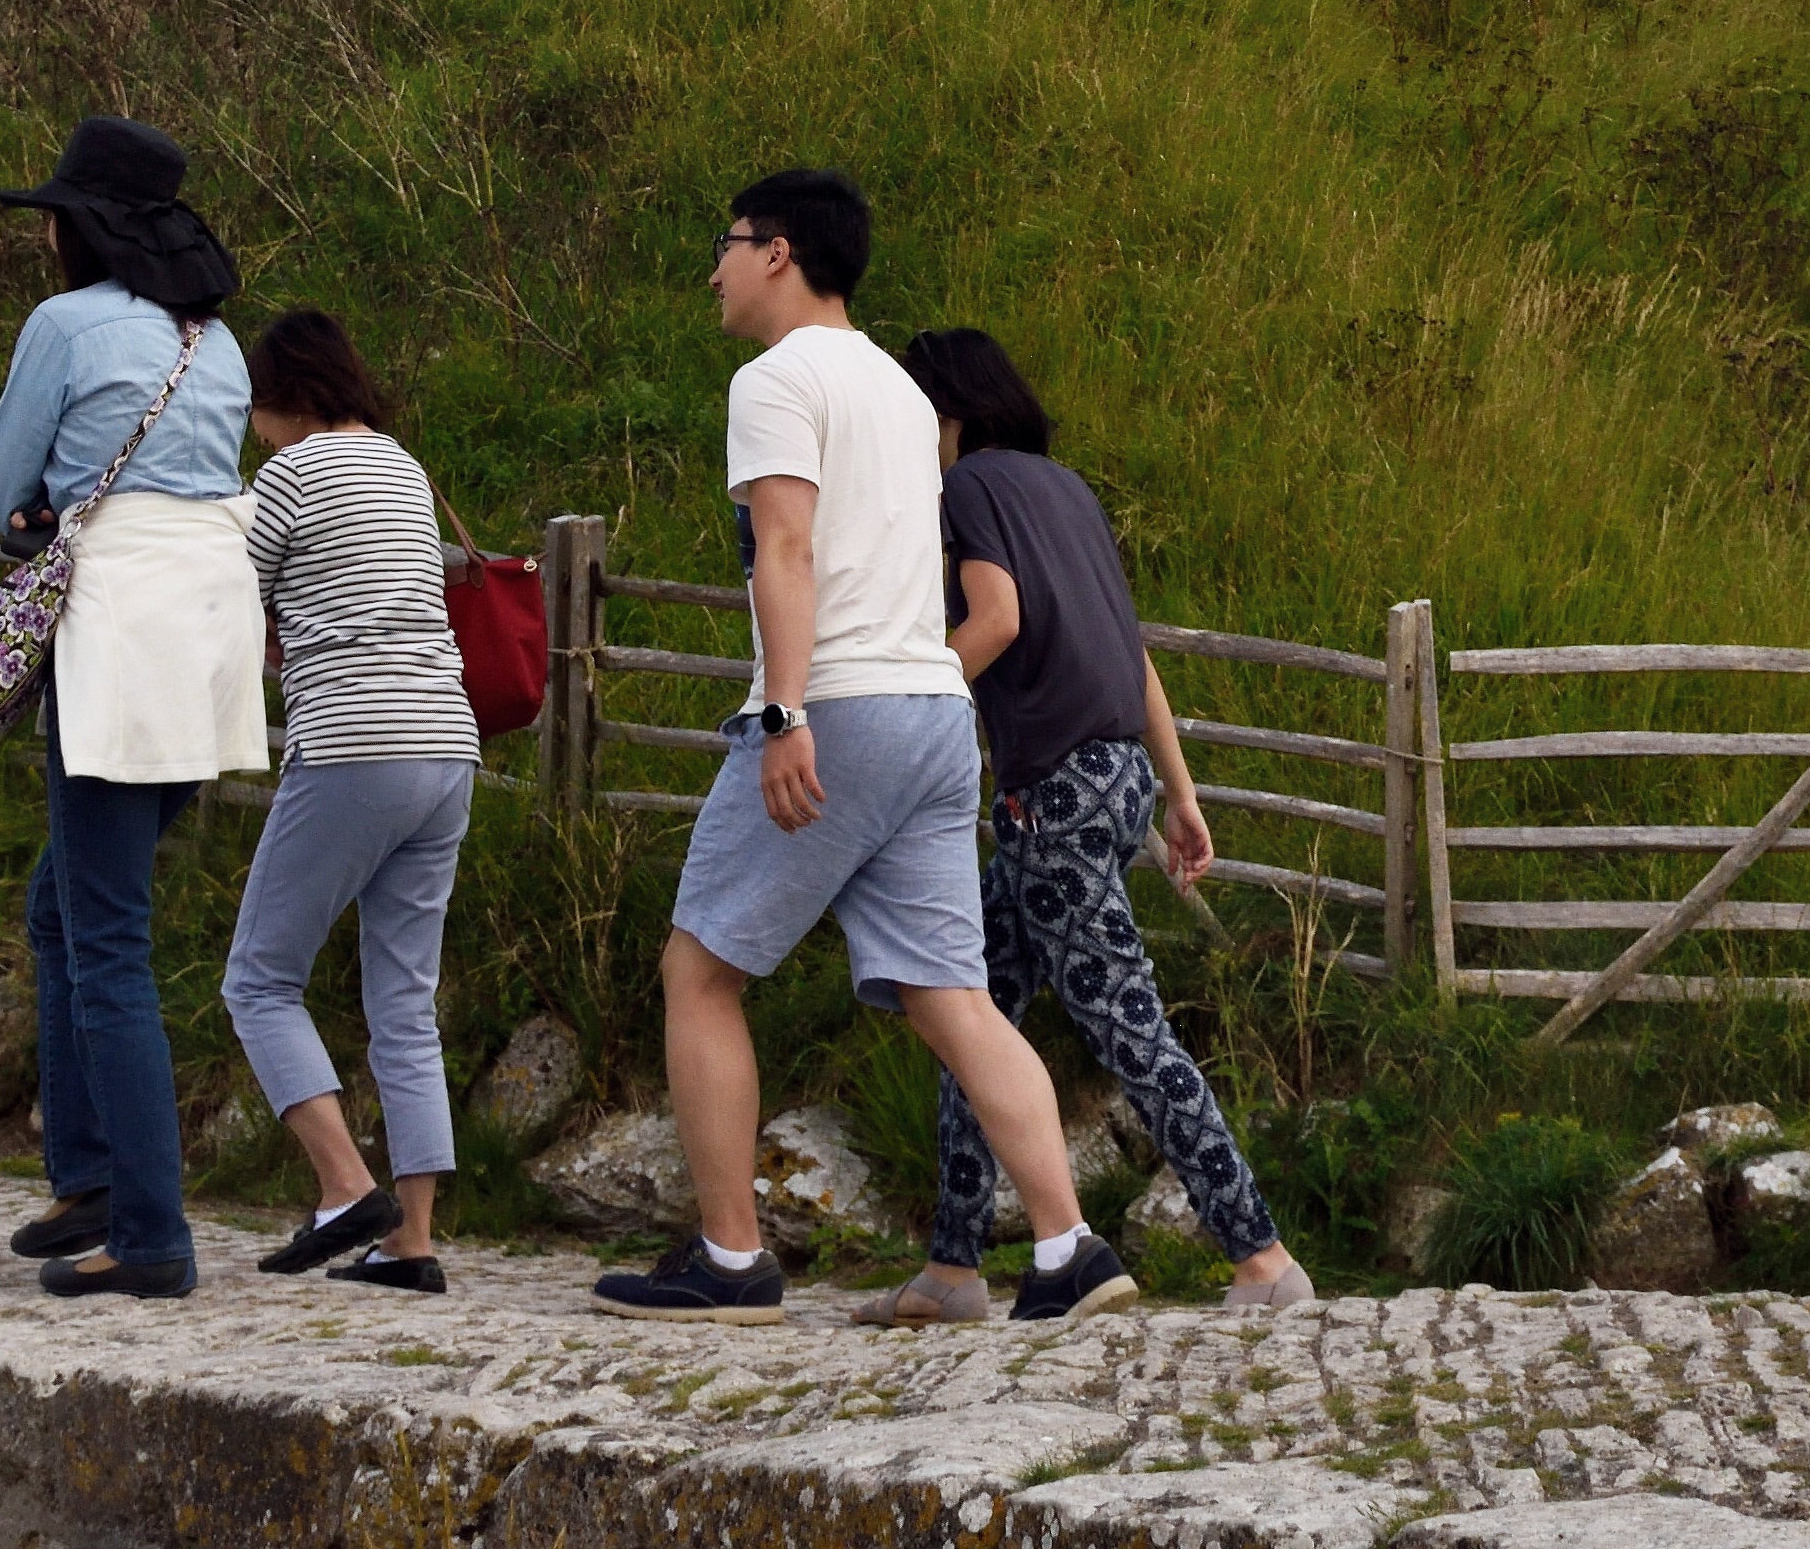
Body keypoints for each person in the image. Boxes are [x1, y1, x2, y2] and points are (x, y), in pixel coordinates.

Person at [599, 168, 1124, 1319]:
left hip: (841, 706)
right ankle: (1067, 1247)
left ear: (778, 250)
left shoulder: (776, 377)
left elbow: (785, 550)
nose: (714, 269)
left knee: (699, 969)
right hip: (938, 713)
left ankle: (731, 1256)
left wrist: (784, 712)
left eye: (727, 244)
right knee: (953, 997)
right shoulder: (896, 385)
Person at [857, 324, 1308, 1324]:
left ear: (948, 412)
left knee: (1125, 1026)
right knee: (973, 1011)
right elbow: (1130, 649)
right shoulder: (1068, 491)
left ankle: (1262, 1257)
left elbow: (997, 618)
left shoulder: (966, 488)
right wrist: (1179, 791)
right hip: (1112, 777)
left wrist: (897, 690)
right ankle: (953, 1267)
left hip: (1051, 793)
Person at [0, 117, 259, 1302]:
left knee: (105, 938)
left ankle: (147, 1232)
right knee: (67, 904)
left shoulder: (65, 324)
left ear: (76, 224)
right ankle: (89, 1172)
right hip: (209, 629)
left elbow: (1, 486)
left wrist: (35, 517)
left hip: (121, 629)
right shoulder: (220, 343)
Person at [218, 308, 472, 1290]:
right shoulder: (403, 464)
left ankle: (340, 1184)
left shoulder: (287, 475)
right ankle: (410, 1239)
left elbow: (227, 595)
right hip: (447, 746)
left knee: (259, 976)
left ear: (283, 394)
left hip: (354, 747)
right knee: (404, 997)